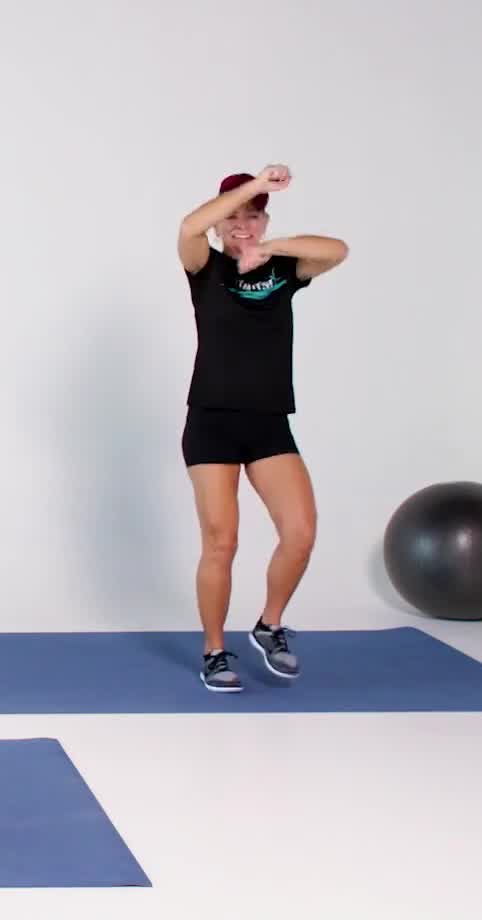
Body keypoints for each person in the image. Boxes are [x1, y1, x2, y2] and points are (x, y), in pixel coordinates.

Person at [177, 165, 347, 693]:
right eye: (232, 217)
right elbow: (188, 227)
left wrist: (269, 249)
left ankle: (268, 625)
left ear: (265, 222)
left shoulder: (282, 271)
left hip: (269, 422)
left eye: (253, 217)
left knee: (300, 532)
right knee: (221, 542)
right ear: (219, 224)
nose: (241, 225)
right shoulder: (204, 267)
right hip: (212, 423)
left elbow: (337, 250)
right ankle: (213, 651)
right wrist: (251, 189)